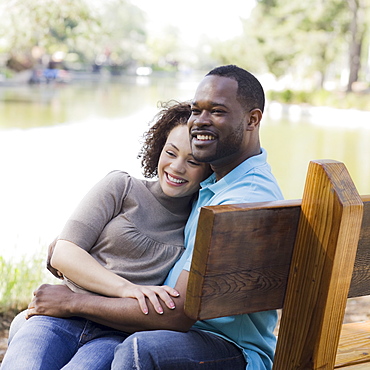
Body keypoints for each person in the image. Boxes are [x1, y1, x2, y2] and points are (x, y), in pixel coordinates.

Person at [3, 65, 284, 370]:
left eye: (217, 111)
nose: (201, 121)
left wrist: (71, 301)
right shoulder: (212, 187)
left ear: (252, 120)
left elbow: (178, 312)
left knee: (136, 350)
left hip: (220, 345)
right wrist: (69, 250)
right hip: (164, 329)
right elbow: (67, 250)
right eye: (196, 110)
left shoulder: (240, 200)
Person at [1, 101, 211, 370]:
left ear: (208, 169)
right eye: (171, 153)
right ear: (159, 148)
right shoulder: (122, 187)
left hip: (116, 334)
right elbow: (64, 252)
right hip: (58, 317)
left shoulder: (198, 223)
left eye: (192, 161)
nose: (177, 167)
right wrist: (127, 289)